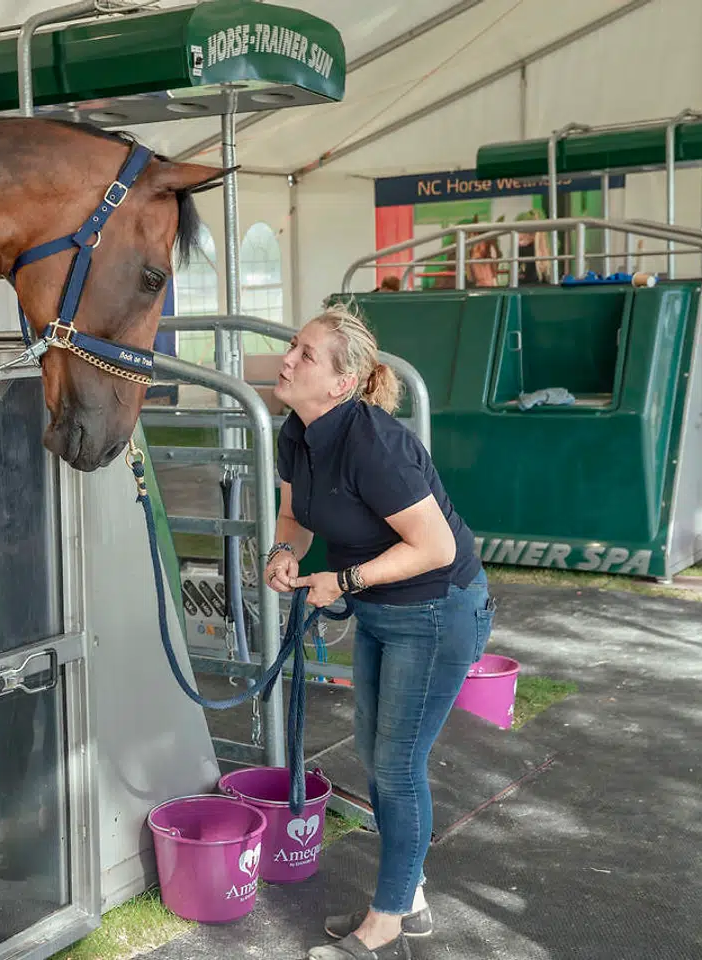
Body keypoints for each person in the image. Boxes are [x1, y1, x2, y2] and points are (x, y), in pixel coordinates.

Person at [262, 305, 495, 960]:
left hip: (437, 607)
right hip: (381, 608)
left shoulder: (375, 444)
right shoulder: (296, 431)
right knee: (377, 756)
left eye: (304, 354)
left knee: (395, 765)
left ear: (341, 383)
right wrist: (284, 554)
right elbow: (293, 514)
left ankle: (386, 920)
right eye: (293, 347)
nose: (287, 359)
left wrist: (346, 580)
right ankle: (410, 901)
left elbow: (437, 547)